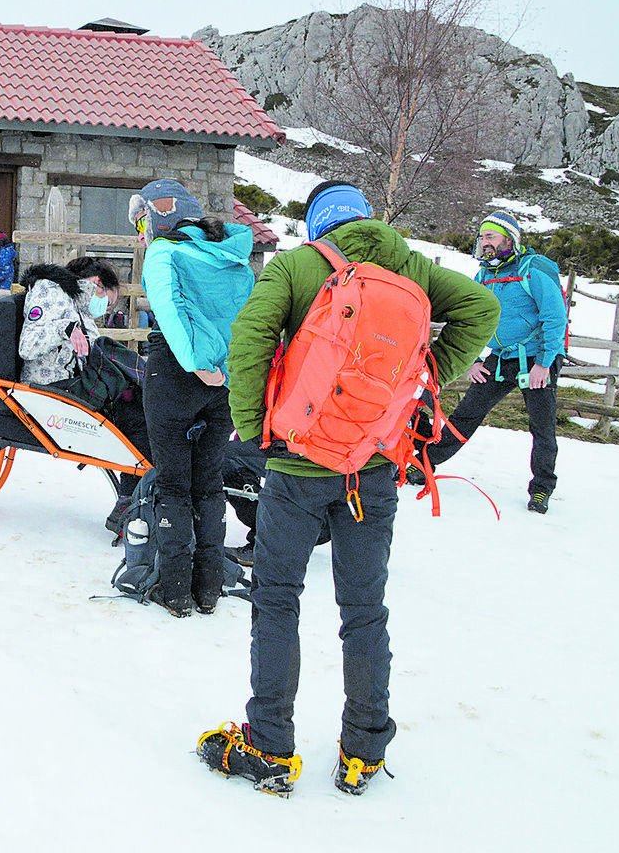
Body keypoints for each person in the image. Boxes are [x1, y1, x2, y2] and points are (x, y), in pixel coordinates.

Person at [203, 179, 498, 796]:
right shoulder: (413, 265)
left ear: (318, 226)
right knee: (364, 612)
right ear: (366, 217)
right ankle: (363, 749)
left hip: (297, 467)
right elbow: (481, 310)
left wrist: (257, 428)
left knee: (277, 599)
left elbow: (250, 339)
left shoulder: (295, 266)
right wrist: (414, 384)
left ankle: (270, 747)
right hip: (373, 470)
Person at [131, 179, 255, 618]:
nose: (141, 231)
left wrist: (195, 362)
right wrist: (227, 372)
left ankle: (177, 590)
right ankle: (209, 588)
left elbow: (169, 309)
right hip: (225, 379)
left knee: (174, 484)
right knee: (208, 482)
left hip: (178, 371)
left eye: (142, 220)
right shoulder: (232, 253)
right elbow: (248, 316)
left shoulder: (164, 252)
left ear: (154, 217)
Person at [414, 210, 567, 514]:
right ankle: (424, 465)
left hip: (536, 360)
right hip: (499, 359)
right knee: (465, 416)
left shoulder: (532, 271)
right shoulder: (484, 275)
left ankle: (541, 489)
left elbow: (555, 318)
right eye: (481, 237)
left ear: (509, 239)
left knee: (542, 426)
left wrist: (545, 364)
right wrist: (472, 360)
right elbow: (467, 318)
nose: (484, 242)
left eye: (490, 236)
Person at [17, 257, 151, 529]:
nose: (105, 308)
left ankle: (132, 497)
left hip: (71, 383)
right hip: (51, 391)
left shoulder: (76, 304)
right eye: (108, 300)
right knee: (136, 419)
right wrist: (64, 330)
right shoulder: (50, 292)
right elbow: (26, 346)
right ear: (97, 285)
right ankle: (131, 501)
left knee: (137, 406)